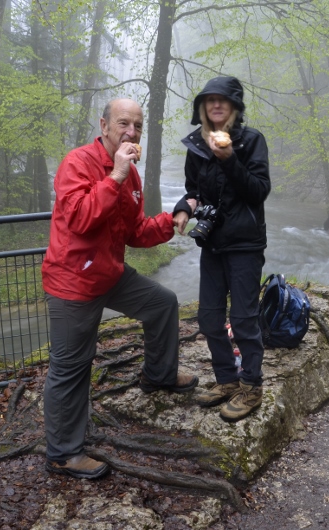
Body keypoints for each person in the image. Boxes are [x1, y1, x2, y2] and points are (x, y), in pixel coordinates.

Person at [41, 98, 198, 479]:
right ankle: (63, 454)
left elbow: (133, 232)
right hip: (73, 281)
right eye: (124, 123)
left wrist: (172, 219)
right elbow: (79, 219)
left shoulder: (133, 177)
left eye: (138, 126)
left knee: (162, 302)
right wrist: (115, 176)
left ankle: (158, 375)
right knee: (71, 367)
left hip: (109, 273)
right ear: (105, 126)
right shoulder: (78, 163)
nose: (131, 132)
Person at [173, 76, 271, 422]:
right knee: (210, 317)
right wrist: (183, 209)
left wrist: (229, 158)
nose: (216, 105)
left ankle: (252, 386)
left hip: (244, 243)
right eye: (209, 100)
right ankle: (227, 380)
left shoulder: (250, 141)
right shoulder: (196, 146)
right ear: (202, 108)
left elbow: (258, 191)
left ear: (234, 107)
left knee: (243, 318)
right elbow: (192, 190)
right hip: (212, 243)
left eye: (223, 101)